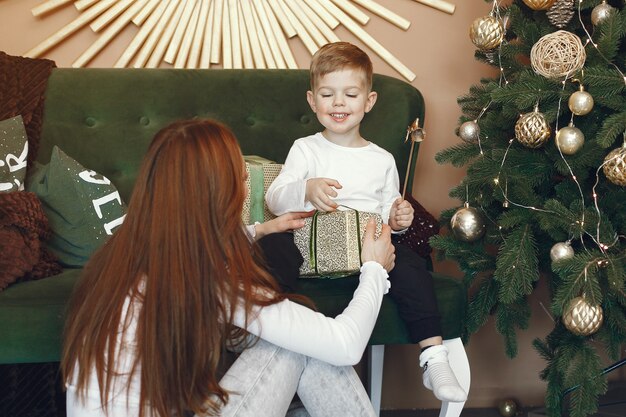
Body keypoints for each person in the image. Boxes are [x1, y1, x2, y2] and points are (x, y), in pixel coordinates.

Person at [61, 118, 397, 417]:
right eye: (240, 179)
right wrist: (373, 269)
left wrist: (260, 230)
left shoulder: (119, 258)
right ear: (219, 196)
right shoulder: (207, 281)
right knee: (299, 347)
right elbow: (344, 345)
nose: (245, 189)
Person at [263, 42, 467, 403]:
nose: (339, 103)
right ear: (313, 101)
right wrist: (306, 190)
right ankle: (271, 336)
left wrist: (400, 220)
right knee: (273, 246)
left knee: (410, 263)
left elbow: (389, 209)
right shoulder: (305, 149)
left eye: (350, 94)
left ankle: (433, 355)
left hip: (366, 251)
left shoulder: (383, 159)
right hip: (310, 247)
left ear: (368, 101)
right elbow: (274, 200)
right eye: (328, 94)